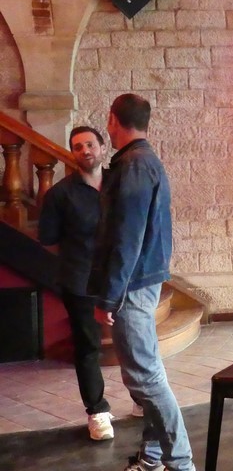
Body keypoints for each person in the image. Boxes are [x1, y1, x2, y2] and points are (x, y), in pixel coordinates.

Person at [89, 93, 195, 471]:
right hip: (139, 281)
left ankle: (181, 464)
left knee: (145, 379)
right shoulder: (142, 161)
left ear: (113, 120)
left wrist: (109, 296)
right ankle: (152, 458)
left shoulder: (134, 165)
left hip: (131, 285)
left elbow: (127, 238)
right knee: (146, 377)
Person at [38, 126, 114, 441]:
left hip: (118, 276)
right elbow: (47, 236)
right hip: (79, 279)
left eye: (90, 144)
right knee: (87, 346)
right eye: (78, 146)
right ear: (73, 154)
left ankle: (141, 399)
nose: (85, 150)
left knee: (132, 341)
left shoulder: (118, 183)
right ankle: (97, 412)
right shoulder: (60, 194)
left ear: (102, 147)